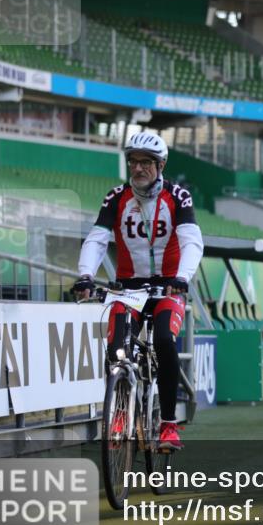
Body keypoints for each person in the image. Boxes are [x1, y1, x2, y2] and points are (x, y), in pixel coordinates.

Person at [73, 131, 203, 451]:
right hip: (129, 288)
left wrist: (182, 277)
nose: (139, 168)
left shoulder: (178, 196)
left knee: (162, 340)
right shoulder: (116, 197)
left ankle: (169, 424)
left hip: (168, 286)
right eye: (133, 161)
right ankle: (119, 413)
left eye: (146, 162)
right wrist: (85, 275)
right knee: (117, 347)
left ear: (161, 165)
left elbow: (192, 241)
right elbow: (97, 239)